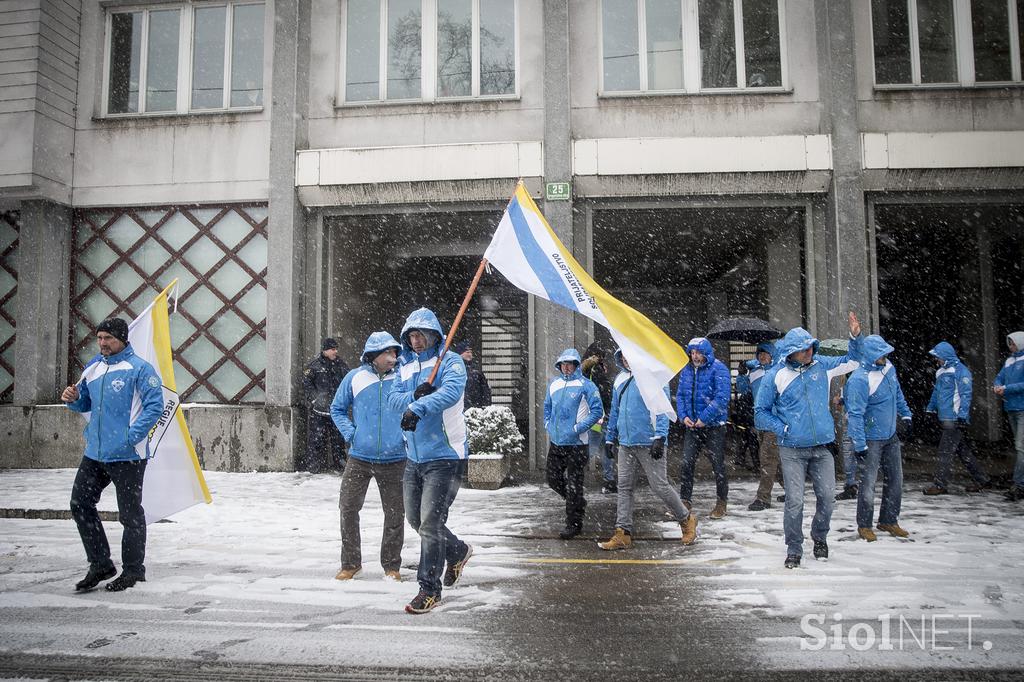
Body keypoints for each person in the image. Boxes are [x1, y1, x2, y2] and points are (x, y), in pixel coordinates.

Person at [62, 317, 164, 592]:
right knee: (80, 503)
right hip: (96, 452)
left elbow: (156, 407)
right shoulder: (93, 367)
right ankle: (100, 564)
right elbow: (84, 402)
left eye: (108, 338)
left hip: (128, 455)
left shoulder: (140, 369)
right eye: (99, 338)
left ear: (121, 338)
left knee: (130, 514)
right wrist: (73, 399)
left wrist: (130, 438)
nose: (102, 343)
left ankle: (133, 571)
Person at [754, 312, 863, 569]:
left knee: (827, 497)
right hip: (791, 449)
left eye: (810, 348)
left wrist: (855, 337)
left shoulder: (822, 366)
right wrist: (783, 427)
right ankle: (794, 548)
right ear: (791, 352)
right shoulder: (776, 376)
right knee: (795, 501)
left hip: (822, 448)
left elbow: (854, 361)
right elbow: (760, 412)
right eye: (803, 350)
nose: (809, 353)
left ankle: (820, 536)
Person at [387, 308, 471, 614]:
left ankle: (429, 588)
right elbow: (393, 397)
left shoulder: (451, 361)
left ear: (434, 334)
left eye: (421, 334)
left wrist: (420, 406)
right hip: (415, 457)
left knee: (431, 524)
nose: (416, 340)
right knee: (416, 520)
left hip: (446, 456)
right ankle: (458, 551)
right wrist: (414, 395)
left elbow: (450, 392)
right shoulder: (405, 365)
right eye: (411, 335)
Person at [598, 350, 697, 550]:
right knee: (624, 487)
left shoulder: (653, 376)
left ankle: (686, 520)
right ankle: (622, 532)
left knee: (659, 485)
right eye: (623, 355)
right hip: (626, 443)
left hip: (649, 441)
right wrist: (610, 438)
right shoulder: (620, 379)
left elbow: (662, 409)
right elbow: (615, 411)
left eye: (629, 354)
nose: (626, 359)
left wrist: (660, 437)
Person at [330, 332, 406, 582]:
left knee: (395, 514)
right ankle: (351, 564)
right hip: (359, 456)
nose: (393, 357)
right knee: (348, 508)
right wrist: (351, 434)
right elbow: (337, 408)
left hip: (395, 457)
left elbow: (416, 406)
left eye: (395, 352)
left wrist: (405, 437)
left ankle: (391, 566)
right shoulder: (354, 377)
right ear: (374, 355)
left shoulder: (403, 377)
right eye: (388, 353)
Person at [844, 335, 913, 541]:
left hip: (891, 436)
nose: (885, 356)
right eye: (881, 353)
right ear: (871, 355)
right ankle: (864, 524)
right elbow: (855, 415)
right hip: (871, 439)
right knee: (868, 484)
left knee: (896, 480)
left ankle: (889, 520)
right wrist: (860, 445)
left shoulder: (889, 368)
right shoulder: (859, 379)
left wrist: (906, 414)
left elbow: (897, 393)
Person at [544, 348, 604, 539]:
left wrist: (578, 428)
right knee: (552, 479)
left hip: (577, 444)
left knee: (574, 484)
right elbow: (547, 407)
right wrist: (548, 425)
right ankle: (577, 502)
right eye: (563, 364)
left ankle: (574, 523)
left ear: (577, 365)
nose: (566, 367)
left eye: (570, 363)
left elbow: (597, 412)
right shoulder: (554, 384)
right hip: (557, 442)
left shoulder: (587, 386)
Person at [923, 341, 991, 495]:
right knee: (962, 451)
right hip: (945, 418)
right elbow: (937, 392)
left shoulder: (961, 371)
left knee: (944, 451)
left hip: (954, 419)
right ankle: (981, 479)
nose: (937, 360)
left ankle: (940, 484)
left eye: (938, 357)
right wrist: (930, 408)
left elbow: (966, 395)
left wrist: (962, 415)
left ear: (946, 356)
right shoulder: (940, 372)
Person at [676, 337, 731, 519]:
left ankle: (721, 502)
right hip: (692, 426)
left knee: (718, 464)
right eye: (692, 353)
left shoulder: (719, 369)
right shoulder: (686, 371)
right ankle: (685, 500)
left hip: (714, 426)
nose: (695, 356)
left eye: (698, 353)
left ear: (706, 353)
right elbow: (681, 395)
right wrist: (684, 416)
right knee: (686, 463)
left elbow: (722, 398)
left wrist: (704, 418)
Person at [741, 342, 783, 512]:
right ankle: (792, 490)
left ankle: (763, 497)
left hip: (774, 421)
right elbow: (744, 391)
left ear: (772, 354)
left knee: (767, 459)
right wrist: (742, 375)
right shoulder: (754, 371)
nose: (763, 356)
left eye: (766, 353)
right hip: (760, 422)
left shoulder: (779, 372)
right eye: (760, 353)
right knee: (775, 460)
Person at [301, 338, 349, 473]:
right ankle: (315, 467)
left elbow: (348, 382)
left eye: (336, 349)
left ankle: (339, 466)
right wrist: (314, 400)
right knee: (316, 440)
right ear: (325, 350)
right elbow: (306, 383)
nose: (336, 351)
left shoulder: (341, 365)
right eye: (333, 349)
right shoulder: (314, 366)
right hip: (319, 411)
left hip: (336, 410)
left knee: (338, 441)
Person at [581, 341, 617, 494]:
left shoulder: (586, 370)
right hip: (600, 414)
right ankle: (608, 481)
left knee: (602, 447)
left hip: (598, 414)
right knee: (598, 448)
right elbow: (602, 392)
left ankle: (609, 480)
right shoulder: (595, 369)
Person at [995, 331, 1024, 501]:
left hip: (1021, 408)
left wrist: (1006, 389)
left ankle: (1019, 484)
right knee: (1019, 446)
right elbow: (999, 378)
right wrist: (997, 385)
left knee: (1021, 448)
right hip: (1012, 408)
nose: (1011, 346)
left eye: (1013, 343)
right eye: (1010, 343)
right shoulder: (1009, 361)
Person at [453, 340, 491, 409]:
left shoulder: (476, 369)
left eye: (471, 352)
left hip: (475, 406)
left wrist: (486, 404)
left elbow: (485, 389)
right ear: (460, 354)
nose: (470, 354)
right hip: (459, 407)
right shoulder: (454, 368)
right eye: (467, 352)